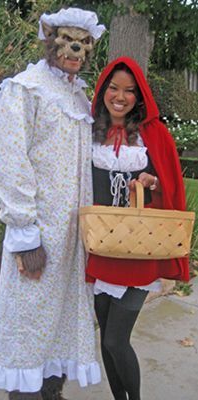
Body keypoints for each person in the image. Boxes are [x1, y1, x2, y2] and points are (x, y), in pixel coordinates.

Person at [0, 7, 105, 400]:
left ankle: (52, 393)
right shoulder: (26, 87)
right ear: (49, 41)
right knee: (28, 324)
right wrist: (25, 234)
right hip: (39, 235)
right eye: (67, 40)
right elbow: (9, 160)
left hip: (73, 241)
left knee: (60, 326)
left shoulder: (78, 94)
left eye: (83, 43)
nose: (75, 49)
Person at [86, 56, 189, 400]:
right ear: (103, 90)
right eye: (113, 87)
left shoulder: (154, 133)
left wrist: (152, 182)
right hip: (101, 247)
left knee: (116, 337)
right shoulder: (88, 130)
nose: (120, 96)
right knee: (106, 339)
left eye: (129, 90)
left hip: (140, 251)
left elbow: (173, 185)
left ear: (139, 96)